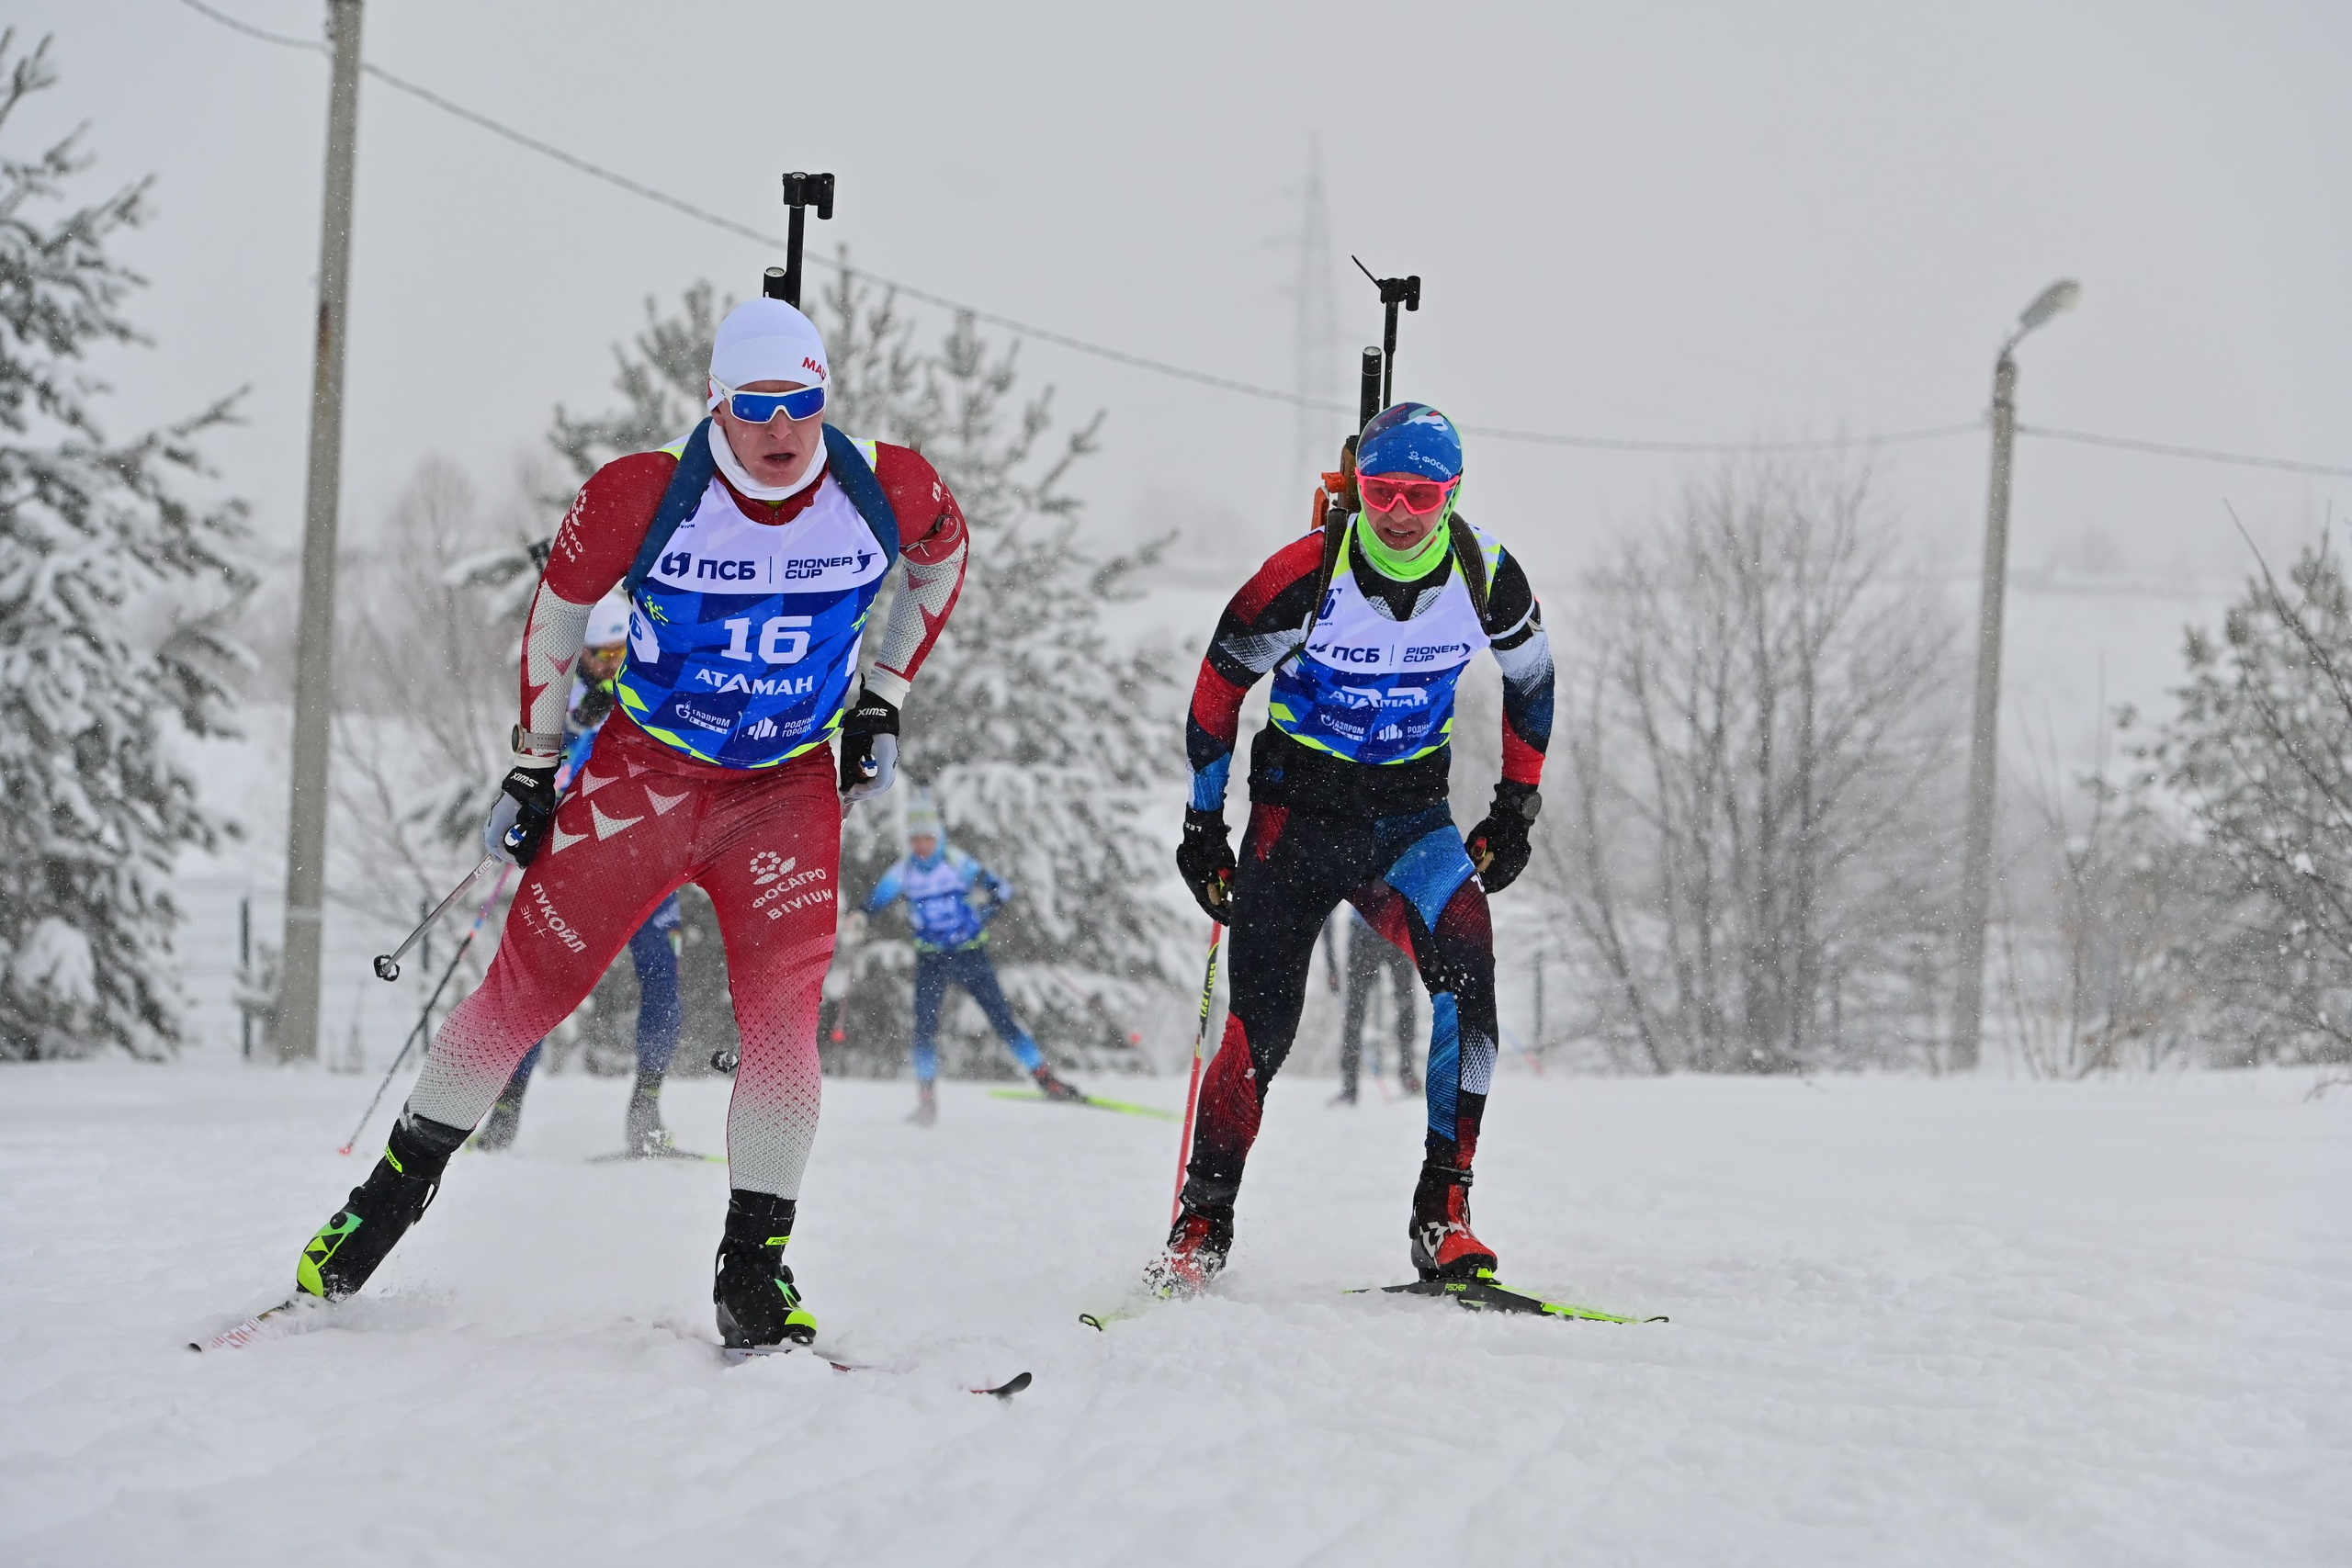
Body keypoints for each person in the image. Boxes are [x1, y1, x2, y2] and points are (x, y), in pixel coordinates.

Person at [290, 297, 971, 1350]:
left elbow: (945, 560)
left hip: (783, 792)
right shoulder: (645, 491)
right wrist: (532, 766)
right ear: (716, 404)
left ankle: (753, 1276)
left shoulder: (885, 485)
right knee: (525, 993)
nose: (783, 430)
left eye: (803, 404)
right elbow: (557, 613)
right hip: (644, 778)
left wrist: (882, 692)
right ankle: (381, 1205)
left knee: (783, 1027)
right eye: (757, 407)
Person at [1158, 402, 1552, 1294]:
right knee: (1263, 1025)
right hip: (1295, 820)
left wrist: (1514, 805)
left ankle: (1442, 1216)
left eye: (1423, 494)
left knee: (1470, 988)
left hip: (1410, 823)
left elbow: (1532, 681)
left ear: (1452, 495)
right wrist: (1201, 825)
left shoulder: (1484, 576)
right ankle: (1202, 1221)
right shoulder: (1301, 577)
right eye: (1382, 491)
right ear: (1357, 489)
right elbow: (1218, 692)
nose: (1401, 511)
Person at [472, 592, 688, 1157]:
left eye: (620, 652)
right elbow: (544, 771)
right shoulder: (565, 702)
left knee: (663, 979)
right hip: (585, 864)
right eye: (599, 655)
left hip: (648, 860)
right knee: (541, 982)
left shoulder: (657, 683)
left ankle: (646, 1110)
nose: (610, 664)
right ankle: (504, 1113)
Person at [855, 795, 1084, 1124]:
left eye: (928, 838)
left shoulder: (955, 861)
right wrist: (860, 918)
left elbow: (1001, 890)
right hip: (932, 958)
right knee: (925, 1029)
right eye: (916, 839)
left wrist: (983, 913)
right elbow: (873, 904)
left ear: (939, 838)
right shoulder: (903, 871)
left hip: (969, 953)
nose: (922, 845)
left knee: (1002, 1018)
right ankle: (926, 1100)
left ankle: (1045, 1079)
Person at [1329, 907, 1419, 1104]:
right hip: (1366, 936)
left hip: (1396, 932)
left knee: (1405, 1007)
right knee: (1356, 1011)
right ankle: (1350, 1087)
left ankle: (1407, 1074)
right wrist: (1331, 967)